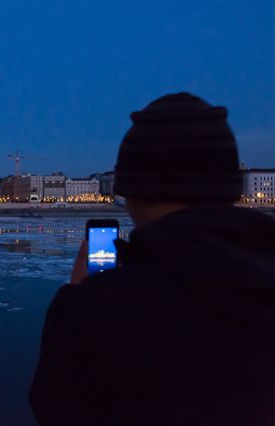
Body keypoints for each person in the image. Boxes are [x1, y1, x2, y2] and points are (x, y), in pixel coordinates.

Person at [29, 93, 275, 426]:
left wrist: (75, 302)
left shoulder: (105, 308)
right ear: (229, 187)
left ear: (130, 193)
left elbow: (55, 408)